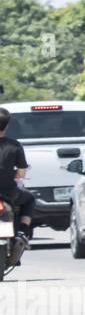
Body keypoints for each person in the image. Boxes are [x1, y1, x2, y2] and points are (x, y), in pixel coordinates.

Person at [0, 107, 35, 265]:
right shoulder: (14, 146)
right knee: (30, 199)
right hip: (8, 193)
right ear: (6, 126)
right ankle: (23, 231)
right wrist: (9, 173)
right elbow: (21, 173)